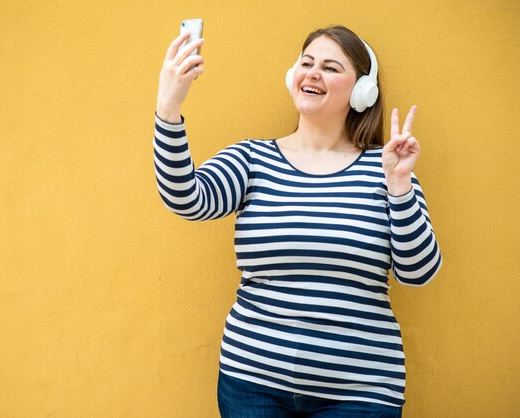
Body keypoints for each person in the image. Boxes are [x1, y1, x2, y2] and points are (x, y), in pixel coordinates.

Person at [153, 24, 442, 418]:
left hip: (361, 393)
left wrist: (399, 185)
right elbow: (185, 199)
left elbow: (418, 272)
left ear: (362, 92)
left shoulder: (387, 169)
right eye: (306, 63)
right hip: (252, 384)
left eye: (330, 67)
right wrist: (169, 111)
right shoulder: (252, 160)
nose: (312, 73)